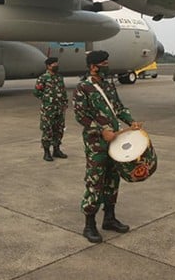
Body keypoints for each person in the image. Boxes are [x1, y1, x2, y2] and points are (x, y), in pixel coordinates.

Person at [73, 50, 143, 243]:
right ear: (93, 66)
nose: (107, 66)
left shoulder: (109, 86)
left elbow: (119, 108)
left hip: (115, 141)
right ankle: (89, 225)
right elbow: (81, 116)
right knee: (95, 181)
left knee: (113, 179)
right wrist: (100, 130)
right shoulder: (83, 88)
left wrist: (131, 122)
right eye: (104, 63)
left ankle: (109, 218)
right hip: (96, 143)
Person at [34, 56, 69, 161]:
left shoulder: (59, 77)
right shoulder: (43, 78)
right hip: (48, 109)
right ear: (48, 66)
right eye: (54, 64)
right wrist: (46, 99)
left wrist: (65, 102)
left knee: (58, 129)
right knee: (47, 130)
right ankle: (46, 152)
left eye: (57, 63)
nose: (56, 65)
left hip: (59, 108)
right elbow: (36, 92)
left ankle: (57, 149)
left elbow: (63, 91)